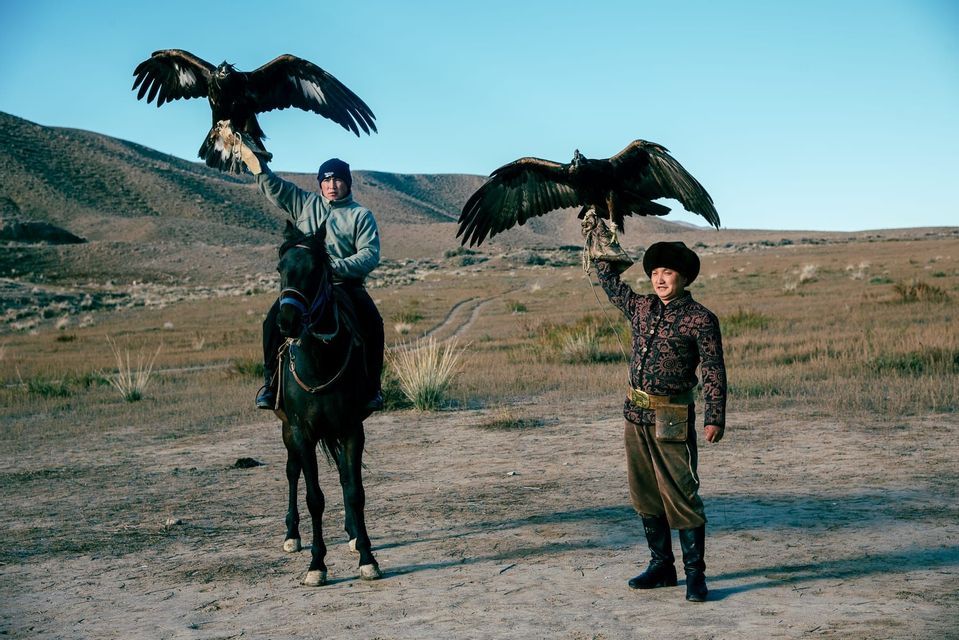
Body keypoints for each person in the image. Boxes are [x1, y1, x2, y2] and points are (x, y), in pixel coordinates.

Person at [587, 218, 727, 603]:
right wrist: (600, 242)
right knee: (645, 493)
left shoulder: (701, 319)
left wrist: (715, 417)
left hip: (672, 417)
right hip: (635, 416)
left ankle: (696, 576)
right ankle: (662, 567)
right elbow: (611, 284)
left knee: (681, 493)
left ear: (684, 277)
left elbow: (713, 369)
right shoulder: (641, 306)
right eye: (654, 273)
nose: (659, 279)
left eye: (667, 273)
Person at [217, 124, 384, 412]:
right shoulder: (304, 203)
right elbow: (275, 187)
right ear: (320, 184)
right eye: (327, 180)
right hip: (306, 288)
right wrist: (253, 161)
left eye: (338, 180)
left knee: (373, 322)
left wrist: (335, 268)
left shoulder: (360, 215)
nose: (332, 185)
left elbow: (370, 254)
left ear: (347, 183)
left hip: (344, 285)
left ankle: (372, 389)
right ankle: (270, 385)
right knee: (271, 323)